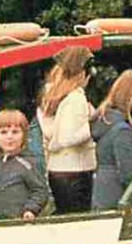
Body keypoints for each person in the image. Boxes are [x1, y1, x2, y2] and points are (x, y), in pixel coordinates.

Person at [37, 47, 97, 213]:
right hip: (77, 171)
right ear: (83, 73)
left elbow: (51, 134)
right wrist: (92, 127)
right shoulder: (76, 98)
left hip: (57, 170)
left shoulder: (49, 99)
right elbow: (67, 138)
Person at [90, 71, 132, 212]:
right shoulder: (122, 131)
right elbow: (130, 175)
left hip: (105, 200)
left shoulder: (108, 124)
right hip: (122, 206)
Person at [0, 110, 48, 221]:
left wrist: (30, 210)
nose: (9, 137)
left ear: (24, 135)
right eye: (4, 132)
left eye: (15, 132)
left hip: (17, 222)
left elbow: (40, 191)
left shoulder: (28, 164)